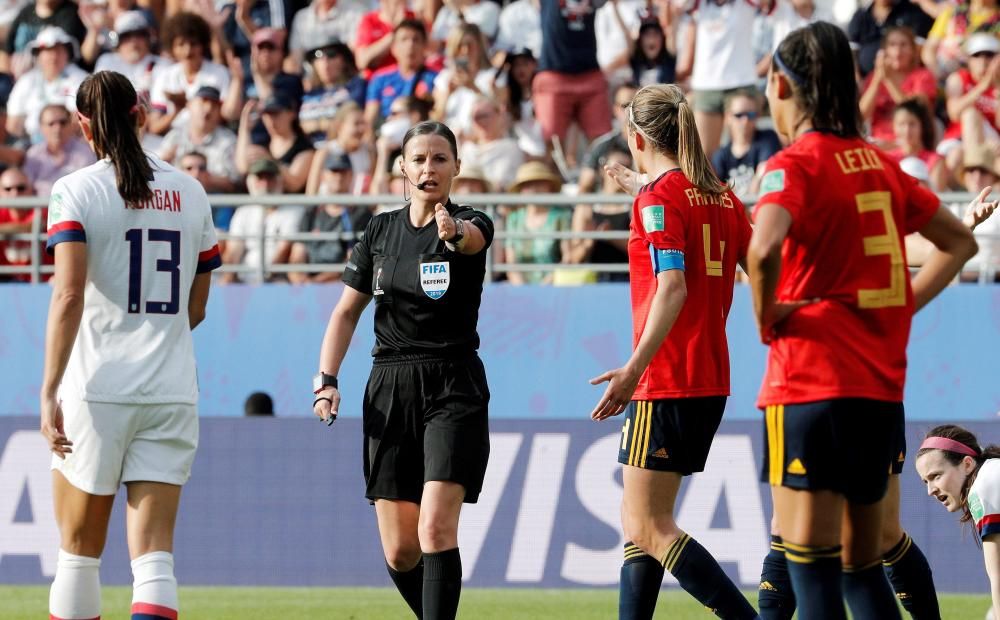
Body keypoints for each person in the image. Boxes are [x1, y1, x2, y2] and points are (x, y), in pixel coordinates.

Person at [748, 21, 978, 620]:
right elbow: (959, 243)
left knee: (814, 570)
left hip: (809, 385)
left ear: (780, 84)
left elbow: (763, 248)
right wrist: (900, 304)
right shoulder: (881, 164)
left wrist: (768, 317)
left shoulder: (791, 164)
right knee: (860, 567)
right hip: (877, 393)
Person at [41, 70, 221, 620]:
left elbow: (69, 295)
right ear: (140, 116)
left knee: (77, 557)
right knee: (155, 561)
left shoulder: (75, 190)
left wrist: (49, 389)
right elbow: (197, 307)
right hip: (169, 390)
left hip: (97, 388)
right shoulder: (190, 191)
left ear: (81, 125)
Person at [312, 120, 494, 620]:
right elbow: (346, 312)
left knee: (436, 529)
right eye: (419, 159)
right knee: (400, 551)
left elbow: (472, 240)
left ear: (456, 167)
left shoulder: (471, 219)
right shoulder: (379, 230)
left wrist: (454, 233)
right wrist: (326, 381)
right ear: (402, 168)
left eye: (440, 158)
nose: (428, 168)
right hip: (389, 386)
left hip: (453, 382)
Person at [589, 82, 756, 619]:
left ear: (636, 137)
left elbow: (673, 285)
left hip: (665, 377)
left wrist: (633, 370)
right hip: (711, 376)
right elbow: (760, 268)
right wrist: (641, 183)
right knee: (641, 520)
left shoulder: (656, 201)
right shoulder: (724, 197)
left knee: (648, 525)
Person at [915, 425, 1000, 620]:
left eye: (936, 476)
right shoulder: (993, 472)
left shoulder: (984, 486)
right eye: (925, 481)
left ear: (967, 464)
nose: (931, 490)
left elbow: (998, 576)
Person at [710, 92, 782, 201]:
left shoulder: (768, 139)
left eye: (751, 115)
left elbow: (765, 172)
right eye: (739, 115)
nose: (745, 120)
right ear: (728, 117)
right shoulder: (720, 156)